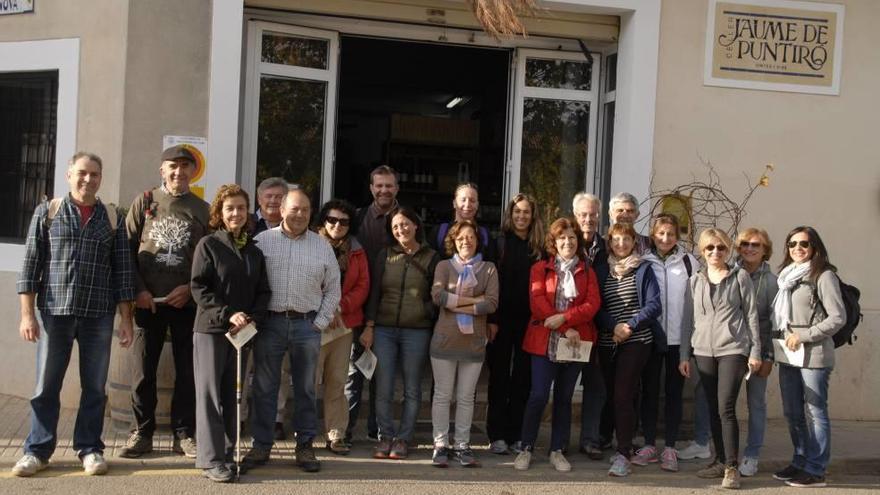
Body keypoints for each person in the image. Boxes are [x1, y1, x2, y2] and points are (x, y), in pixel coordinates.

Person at [13, 152, 135, 477]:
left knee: (94, 387)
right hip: (56, 314)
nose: (88, 179)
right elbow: (30, 266)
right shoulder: (48, 213)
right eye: (82, 173)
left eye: (94, 174)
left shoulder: (112, 218)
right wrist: (27, 315)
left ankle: (90, 448)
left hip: (98, 315)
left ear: (100, 178)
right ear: (69, 174)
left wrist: (126, 320)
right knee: (45, 386)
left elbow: (123, 273)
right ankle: (37, 451)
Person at [121, 145, 210, 459]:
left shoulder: (203, 208)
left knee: (187, 372)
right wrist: (139, 291)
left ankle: (183, 434)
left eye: (186, 166)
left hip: (186, 305)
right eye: (173, 166)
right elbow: (126, 252)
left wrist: (189, 287)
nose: (179, 172)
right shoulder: (144, 202)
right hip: (149, 304)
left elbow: (208, 261)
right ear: (162, 170)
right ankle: (142, 432)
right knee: (143, 371)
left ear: (193, 172)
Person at [243, 189, 341, 473]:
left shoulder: (322, 245)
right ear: (282, 209)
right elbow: (250, 283)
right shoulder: (262, 241)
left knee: (306, 389)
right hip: (270, 324)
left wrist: (319, 322)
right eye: (295, 208)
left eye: (306, 210)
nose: (300, 215)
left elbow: (334, 287)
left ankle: (305, 446)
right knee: (264, 388)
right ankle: (261, 445)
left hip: (306, 325)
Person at [191, 185, 270, 483]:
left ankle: (227, 453)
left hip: (242, 333)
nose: (236, 213)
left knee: (232, 395)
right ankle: (210, 459)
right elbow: (198, 287)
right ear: (219, 214)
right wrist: (227, 314)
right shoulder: (208, 245)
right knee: (210, 396)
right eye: (229, 209)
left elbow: (263, 291)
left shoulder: (254, 251)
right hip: (212, 330)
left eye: (240, 208)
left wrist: (251, 319)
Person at [514, 217, 600, 473]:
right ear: (554, 241)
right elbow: (537, 303)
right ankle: (526, 447)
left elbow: (592, 304)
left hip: (574, 343)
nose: (568, 242)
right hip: (546, 342)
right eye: (562, 237)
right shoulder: (540, 268)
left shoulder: (587, 270)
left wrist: (564, 318)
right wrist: (565, 327)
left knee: (564, 398)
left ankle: (557, 450)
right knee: (538, 395)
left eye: (572, 237)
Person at [679, 228, 761, 490]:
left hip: (732, 350)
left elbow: (751, 317)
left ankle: (732, 468)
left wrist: (755, 351)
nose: (715, 252)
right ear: (702, 252)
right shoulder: (695, 281)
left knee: (725, 407)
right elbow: (686, 321)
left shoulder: (740, 278)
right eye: (709, 248)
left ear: (728, 250)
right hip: (702, 351)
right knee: (712, 407)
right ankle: (719, 460)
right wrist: (684, 354)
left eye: (721, 248)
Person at [362, 206, 440, 460]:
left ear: (416, 225)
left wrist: (426, 312)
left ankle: (404, 439)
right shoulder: (385, 255)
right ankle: (385, 437)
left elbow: (436, 294)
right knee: (383, 387)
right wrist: (370, 326)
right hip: (384, 329)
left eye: (405, 224)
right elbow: (375, 293)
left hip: (416, 331)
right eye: (395, 226)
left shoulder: (432, 257)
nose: (401, 229)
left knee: (412, 389)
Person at [771, 226, 844, 488]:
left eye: (804, 244)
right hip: (789, 353)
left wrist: (805, 335)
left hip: (813, 354)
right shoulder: (786, 277)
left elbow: (838, 317)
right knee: (792, 411)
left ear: (815, 247)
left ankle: (816, 469)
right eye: (792, 244)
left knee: (815, 412)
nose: (798, 249)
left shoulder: (823, 275)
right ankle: (800, 461)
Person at [593, 222, 662, 477]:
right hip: (609, 341)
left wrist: (629, 327)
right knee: (616, 395)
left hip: (637, 340)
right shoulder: (602, 271)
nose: (621, 244)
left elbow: (654, 305)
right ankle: (624, 442)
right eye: (616, 239)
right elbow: (596, 307)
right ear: (609, 243)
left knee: (622, 394)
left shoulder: (643, 269)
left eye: (626, 239)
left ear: (635, 242)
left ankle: (623, 454)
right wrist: (614, 326)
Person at [430, 220, 499, 467]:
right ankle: (440, 444)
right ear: (453, 241)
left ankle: (462, 444)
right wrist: (473, 302)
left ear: (478, 240)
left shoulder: (489, 268)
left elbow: (491, 303)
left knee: (466, 397)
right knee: (442, 395)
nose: (465, 241)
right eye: (460, 237)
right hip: (445, 341)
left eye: (470, 237)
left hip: (473, 342)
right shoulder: (443, 266)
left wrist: (456, 301)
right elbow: (437, 296)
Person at [636, 214, 699, 472]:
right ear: (653, 234)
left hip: (677, 340)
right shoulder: (643, 260)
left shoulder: (688, 262)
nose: (665, 238)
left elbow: (695, 301)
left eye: (670, 234)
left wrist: (691, 339)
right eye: (661, 233)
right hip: (650, 337)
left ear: (677, 236)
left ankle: (670, 447)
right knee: (649, 392)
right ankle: (649, 443)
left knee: (674, 393)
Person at [485, 193, 544, 455]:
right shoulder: (499, 243)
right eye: (517, 211)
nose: (521, 216)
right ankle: (497, 434)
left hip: (530, 322)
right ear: (510, 214)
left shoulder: (539, 247)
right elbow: (490, 283)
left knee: (523, 378)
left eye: (526, 212)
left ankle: (518, 433)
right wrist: (492, 320)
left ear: (533, 216)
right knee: (499, 377)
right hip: (500, 321)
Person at [347, 165, 400, 442]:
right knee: (353, 372)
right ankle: (344, 429)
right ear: (371, 188)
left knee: (382, 374)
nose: (384, 190)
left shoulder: (406, 220)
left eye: (389, 185)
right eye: (379, 185)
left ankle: (378, 430)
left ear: (397, 188)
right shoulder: (356, 218)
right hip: (356, 306)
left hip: (390, 309)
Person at [314, 199, 370, 455]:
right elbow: (304, 282)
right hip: (314, 323)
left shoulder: (357, 250)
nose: (337, 225)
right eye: (332, 220)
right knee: (309, 381)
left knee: (338, 381)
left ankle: (336, 434)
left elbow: (362, 286)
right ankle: (304, 432)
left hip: (343, 325)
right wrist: (325, 309)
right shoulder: (310, 244)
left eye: (344, 221)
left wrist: (339, 307)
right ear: (324, 220)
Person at [245, 176, 290, 440]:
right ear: (259, 199)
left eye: (279, 197)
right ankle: (239, 417)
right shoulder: (247, 225)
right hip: (249, 308)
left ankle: (276, 418)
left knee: (279, 369)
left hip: (278, 309)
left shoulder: (293, 227)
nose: (273, 201)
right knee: (244, 365)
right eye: (268, 196)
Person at [734, 228, 778, 477]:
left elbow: (774, 322)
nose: (749, 248)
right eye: (745, 244)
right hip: (730, 349)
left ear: (764, 250)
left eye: (756, 245)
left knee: (756, 403)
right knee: (717, 401)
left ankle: (752, 455)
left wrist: (769, 355)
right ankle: (705, 444)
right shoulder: (730, 272)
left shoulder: (771, 282)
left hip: (758, 351)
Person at [572, 192, 610, 460]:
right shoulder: (565, 244)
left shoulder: (609, 248)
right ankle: (558, 441)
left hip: (600, 327)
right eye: (583, 214)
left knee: (596, 387)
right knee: (563, 386)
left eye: (592, 214)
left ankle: (590, 439)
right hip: (570, 327)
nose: (588, 219)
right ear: (575, 216)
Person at [429, 183, 492, 259]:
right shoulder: (439, 231)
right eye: (463, 200)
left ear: (477, 205)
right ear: (454, 203)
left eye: (472, 200)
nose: (467, 204)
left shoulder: (484, 234)